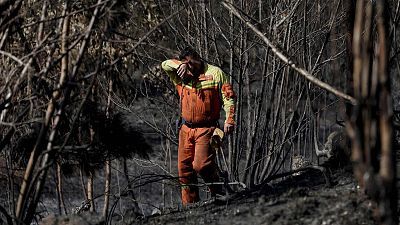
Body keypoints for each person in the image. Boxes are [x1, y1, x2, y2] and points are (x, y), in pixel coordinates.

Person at [161, 47, 235, 205]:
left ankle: (219, 189)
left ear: (198, 59)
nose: (189, 69)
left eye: (191, 64)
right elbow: (164, 64)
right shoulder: (180, 75)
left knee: (201, 165)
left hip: (206, 129)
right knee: (184, 170)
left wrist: (230, 119)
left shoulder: (216, 73)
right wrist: (179, 65)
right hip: (186, 129)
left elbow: (229, 98)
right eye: (185, 64)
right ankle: (190, 206)